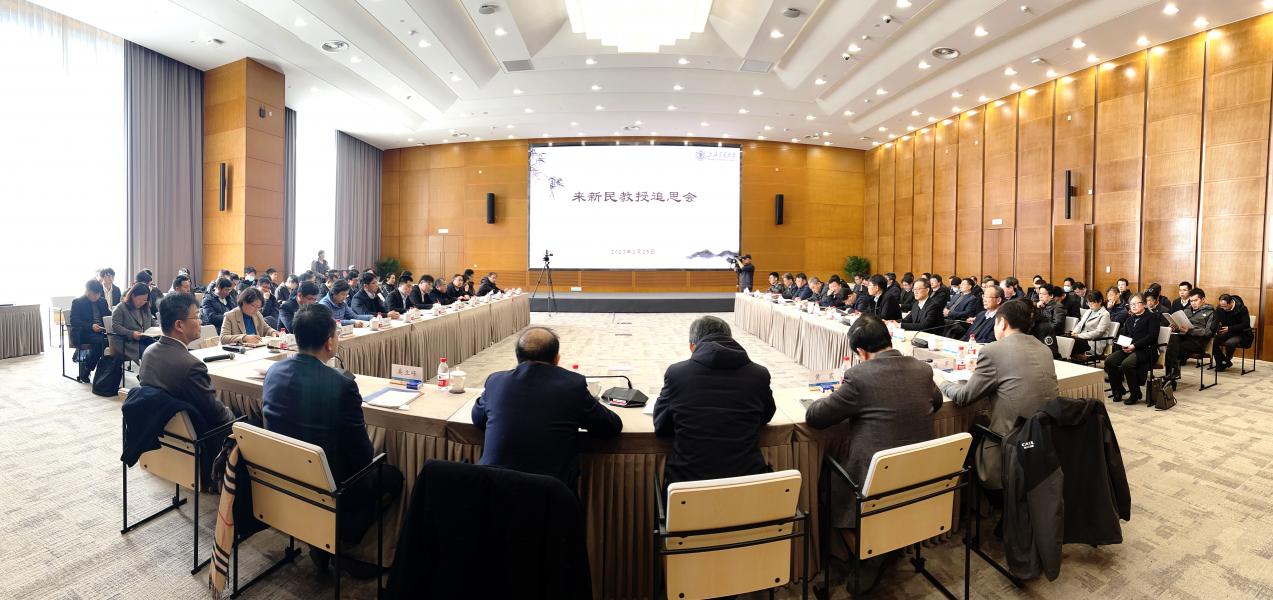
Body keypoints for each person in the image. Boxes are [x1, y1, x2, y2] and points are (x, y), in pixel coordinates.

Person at [262, 303, 405, 575]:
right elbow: (363, 456)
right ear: (329, 343)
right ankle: (347, 542)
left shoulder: (273, 372)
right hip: (329, 485)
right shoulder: (342, 385)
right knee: (393, 477)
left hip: (282, 476)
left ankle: (323, 537)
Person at [805, 313, 940, 537]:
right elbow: (936, 402)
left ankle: (846, 545)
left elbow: (815, 417)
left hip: (873, 481)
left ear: (861, 352)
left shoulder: (859, 376)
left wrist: (829, 397)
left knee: (825, 473)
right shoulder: (922, 369)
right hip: (919, 475)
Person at [472, 327, 622, 487]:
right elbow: (610, 426)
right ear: (557, 359)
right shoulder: (572, 385)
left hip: (492, 491)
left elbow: (478, 418)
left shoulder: (496, 382)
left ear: (517, 357)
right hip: (549, 495)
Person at [939, 300, 1058, 487]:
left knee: (968, 433)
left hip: (1010, 443)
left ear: (1002, 323)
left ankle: (972, 499)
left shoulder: (993, 350)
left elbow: (963, 397)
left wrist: (941, 381)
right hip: (1044, 440)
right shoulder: (1043, 349)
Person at [654, 316, 776, 487]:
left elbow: (661, 426)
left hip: (688, 487)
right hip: (748, 486)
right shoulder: (759, 374)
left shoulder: (676, 374)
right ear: (730, 339)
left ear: (692, 346)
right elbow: (766, 416)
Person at [138, 293, 236, 431]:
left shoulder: (149, 351)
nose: (201, 322)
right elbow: (218, 416)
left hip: (161, 429)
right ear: (179, 325)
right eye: (196, 316)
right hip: (201, 436)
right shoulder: (191, 366)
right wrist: (237, 421)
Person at [1104, 295, 1159, 405]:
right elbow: (1124, 335)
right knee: (1109, 361)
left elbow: (1152, 337)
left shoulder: (1152, 317)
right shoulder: (1129, 319)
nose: (1133, 306)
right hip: (1129, 348)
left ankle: (1135, 393)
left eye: (1136, 303)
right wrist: (1123, 345)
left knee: (1127, 364)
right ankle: (1118, 390)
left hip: (1146, 350)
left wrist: (1135, 346)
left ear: (1144, 304)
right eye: (1131, 304)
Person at [1164, 288, 1216, 381]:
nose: (1193, 303)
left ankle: (1172, 373)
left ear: (1203, 299)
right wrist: (1175, 326)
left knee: (1172, 347)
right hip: (1184, 337)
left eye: (1196, 300)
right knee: (1171, 340)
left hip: (1198, 341)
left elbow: (1208, 332)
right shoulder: (1187, 310)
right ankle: (1172, 374)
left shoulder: (1210, 312)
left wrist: (1191, 330)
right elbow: (1181, 325)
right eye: (1191, 301)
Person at [70, 279, 110, 382]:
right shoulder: (78, 302)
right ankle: (87, 367)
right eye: (94, 294)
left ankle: (107, 371)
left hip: (101, 331)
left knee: (115, 340)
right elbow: (74, 321)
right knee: (103, 341)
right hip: (84, 333)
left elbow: (108, 315)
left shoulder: (102, 301)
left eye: (98, 294)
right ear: (87, 291)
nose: (96, 296)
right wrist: (90, 326)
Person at [110, 282, 158, 362]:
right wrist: (131, 333)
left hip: (145, 339)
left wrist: (159, 330)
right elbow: (116, 326)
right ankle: (147, 370)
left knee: (160, 349)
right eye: (140, 299)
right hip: (128, 342)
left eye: (145, 300)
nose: (142, 302)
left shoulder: (145, 308)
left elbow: (153, 323)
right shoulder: (121, 308)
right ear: (133, 296)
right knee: (149, 353)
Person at [1213, 294, 1253, 372]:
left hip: (1241, 333)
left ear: (1231, 303)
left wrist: (1230, 328)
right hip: (1227, 332)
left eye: (1225, 306)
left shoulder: (1242, 308)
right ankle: (1221, 362)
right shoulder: (1220, 308)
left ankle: (1226, 360)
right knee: (1215, 340)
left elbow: (1246, 324)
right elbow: (1216, 321)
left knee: (1230, 343)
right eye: (1221, 306)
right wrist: (1215, 330)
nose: (1223, 308)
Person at [1070, 290, 1112, 357]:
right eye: (1088, 303)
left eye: (1092, 303)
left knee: (1071, 343)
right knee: (1066, 339)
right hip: (1082, 339)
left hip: (1093, 342)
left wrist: (1078, 336)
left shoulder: (1105, 314)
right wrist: (1074, 333)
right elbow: (1080, 324)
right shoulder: (1088, 311)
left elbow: (1098, 333)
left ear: (1100, 301)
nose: (1090, 305)